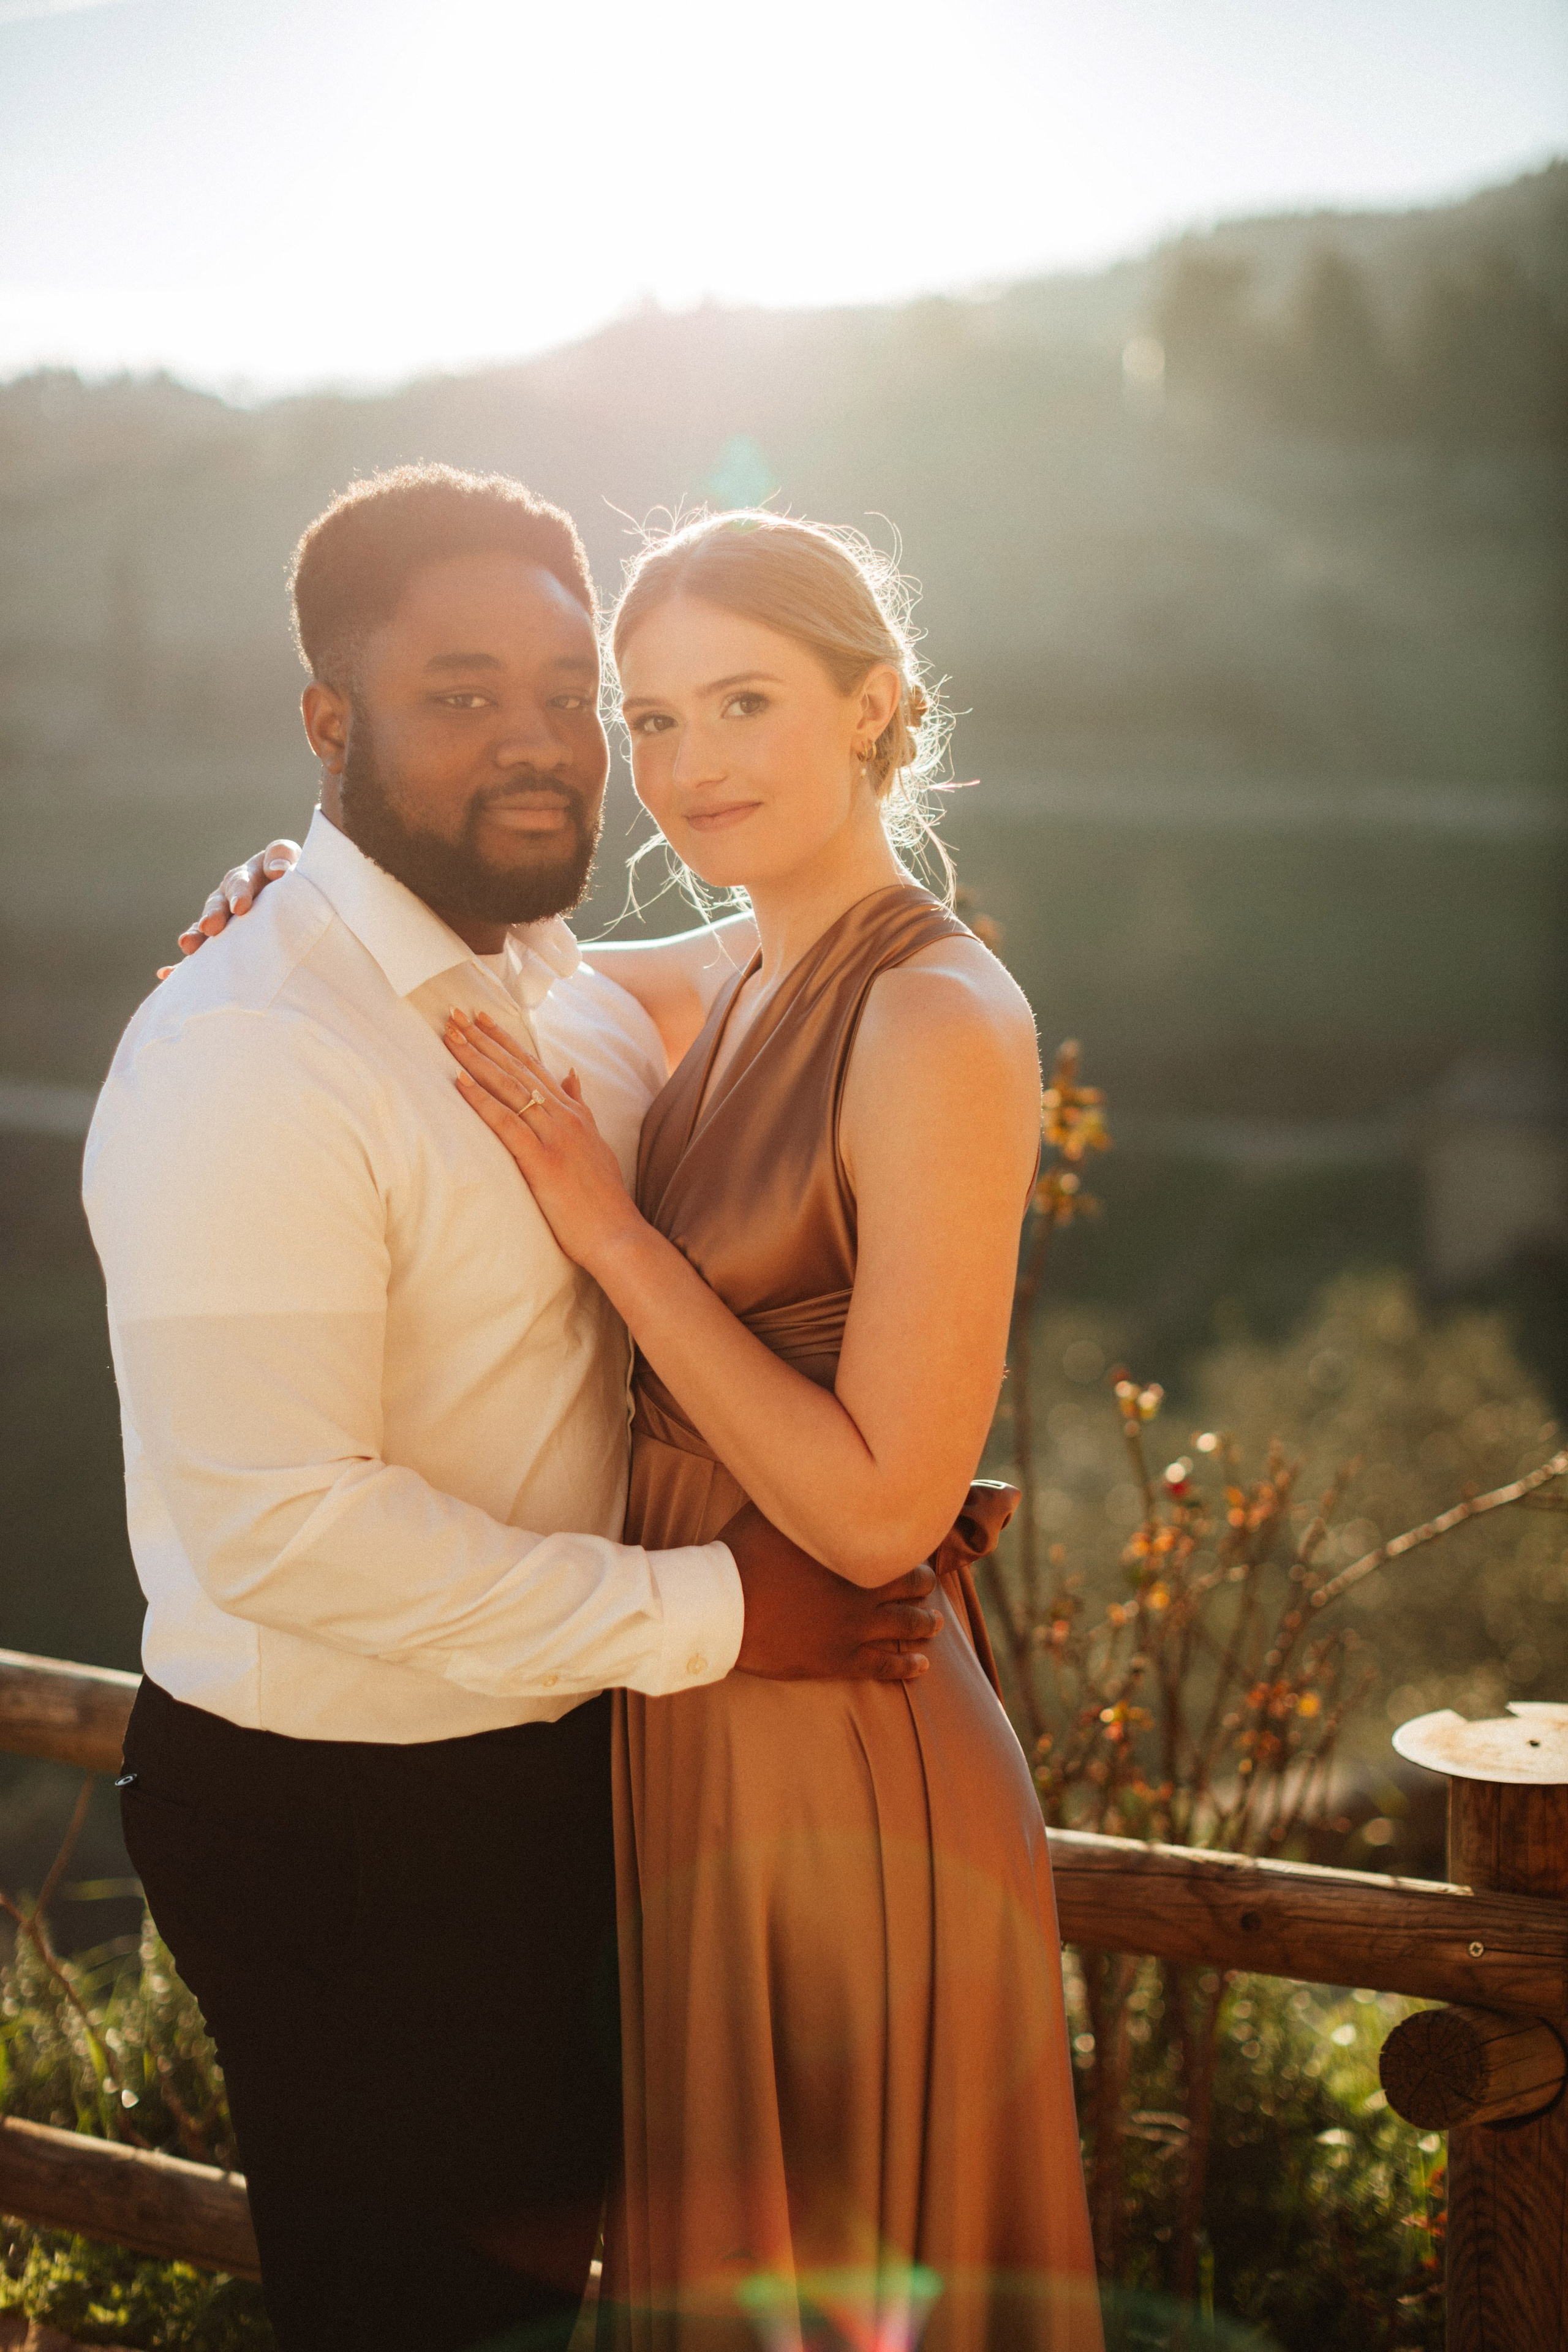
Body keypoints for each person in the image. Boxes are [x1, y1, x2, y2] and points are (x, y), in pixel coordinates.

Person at [198, 503, 1102, 2350]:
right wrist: (271, 899)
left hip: (843, 1737)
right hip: (691, 1733)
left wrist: (602, 1229)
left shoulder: (939, 1014)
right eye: (655, 718)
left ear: (876, 708)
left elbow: (875, 1518)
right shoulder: (728, 968)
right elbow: (437, 962)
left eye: (747, 702)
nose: (691, 769)